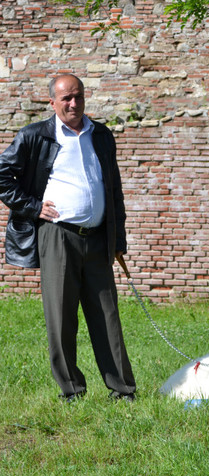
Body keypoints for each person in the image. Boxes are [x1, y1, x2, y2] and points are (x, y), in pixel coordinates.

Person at [0, 74, 136, 402]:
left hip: (98, 239)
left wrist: (118, 240)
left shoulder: (101, 135)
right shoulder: (35, 136)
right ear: (53, 102)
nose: (74, 103)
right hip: (57, 238)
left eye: (78, 96)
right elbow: (2, 176)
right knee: (61, 317)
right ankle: (71, 390)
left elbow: (113, 189)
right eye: (66, 99)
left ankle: (123, 390)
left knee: (107, 316)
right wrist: (33, 207)